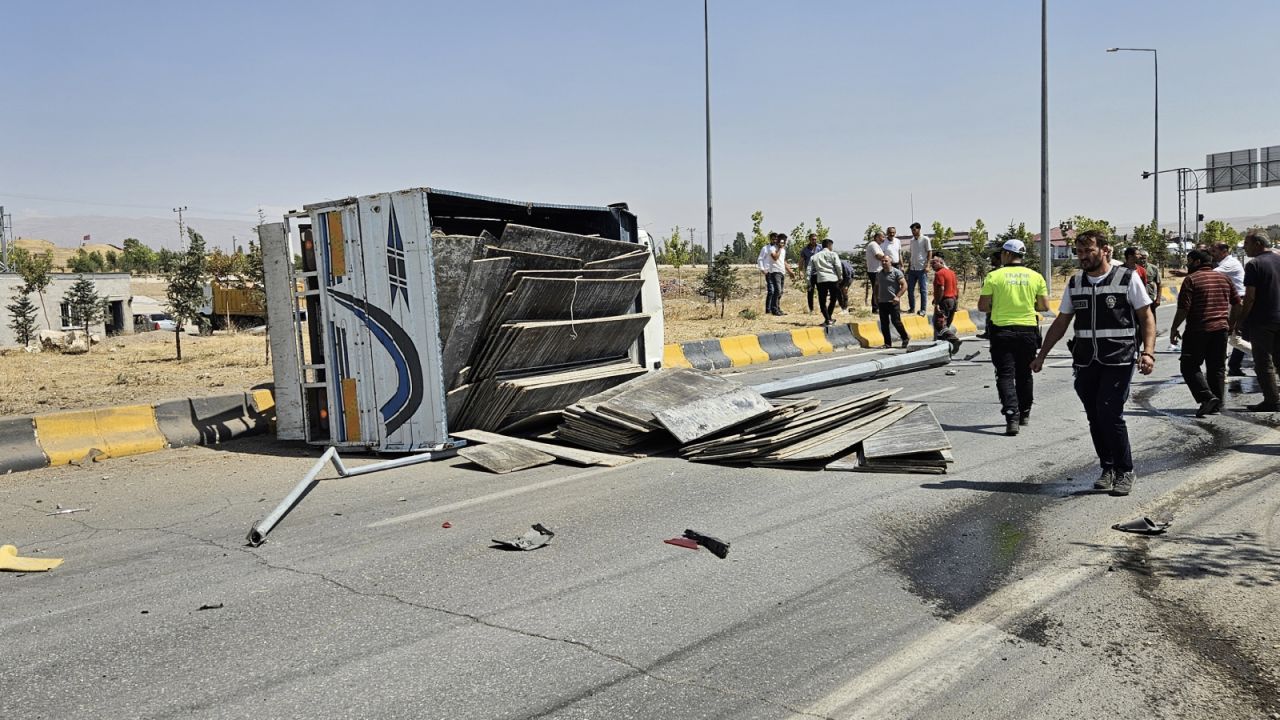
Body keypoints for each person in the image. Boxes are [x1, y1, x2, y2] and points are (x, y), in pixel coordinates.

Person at [1031, 230, 1155, 496]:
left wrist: (1148, 352)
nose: (1084, 256)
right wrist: (1042, 355)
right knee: (1094, 416)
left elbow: (1146, 317)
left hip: (1118, 358)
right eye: (1080, 252)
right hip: (1086, 360)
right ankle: (1107, 467)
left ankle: (1125, 470)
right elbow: (1062, 321)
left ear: (1105, 250)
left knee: (1110, 411)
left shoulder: (1127, 278)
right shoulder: (1075, 283)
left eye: (1089, 250)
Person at [979, 239, 1049, 435]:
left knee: (1005, 375)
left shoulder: (993, 276)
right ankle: (1025, 412)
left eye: (1001, 253)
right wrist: (1026, 307)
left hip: (1002, 332)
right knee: (1024, 374)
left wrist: (999, 307)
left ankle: (1012, 416)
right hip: (1027, 331)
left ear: (1007, 254)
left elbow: (983, 306)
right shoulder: (1036, 277)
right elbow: (1044, 306)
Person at [1168, 249, 1239, 417]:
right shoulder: (1224, 278)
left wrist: (1174, 328)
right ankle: (1217, 405)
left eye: (1189, 261)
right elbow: (1237, 303)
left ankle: (1207, 398)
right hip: (1220, 330)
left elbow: (1184, 308)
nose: (1187, 264)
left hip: (1198, 330)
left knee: (1189, 365)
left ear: (1197, 262)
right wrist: (1230, 324)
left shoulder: (1191, 279)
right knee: (1217, 368)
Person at [1232, 230, 1280, 412]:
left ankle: (1272, 400)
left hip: (1263, 321)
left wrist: (1240, 320)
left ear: (1258, 244)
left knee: (1263, 362)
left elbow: (1250, 298)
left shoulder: (1254, 264)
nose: (1244, 247)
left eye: (1247, 243)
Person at [1211, 242, 1248, 376]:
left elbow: (1211, 274)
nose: (1212, 254)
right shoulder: (1224, 264)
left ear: (1224, 251)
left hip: (1237, 303)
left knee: (1225, 336)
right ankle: (1266, 357)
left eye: (1214, 251)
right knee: (1233, 340)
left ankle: (1222, 371)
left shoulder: (1230, 263)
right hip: (1233, 302)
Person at [808, 238, 845, 326]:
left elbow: (809, 270)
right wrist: (840, 276)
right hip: (833, 279)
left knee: (822, 300)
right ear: (830, 245)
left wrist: (808, 282)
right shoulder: (833, 254)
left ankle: (827, 319)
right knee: (833, 299)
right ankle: (829, 318)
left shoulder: (815, 256)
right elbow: (838, 266)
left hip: (821, 279)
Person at [876, 261, 910, 349]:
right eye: (882, 261)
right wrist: (876, 298)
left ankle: (905, 338)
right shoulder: (879, 273)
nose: (884, 262)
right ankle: (887, 343)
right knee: (884, 323)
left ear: (890, 262)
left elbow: (904, 285)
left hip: (893, 302)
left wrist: (898, 296)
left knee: (896, 321)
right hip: (882, 302)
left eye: (886, 261)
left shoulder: (896, 272)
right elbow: (876, 286)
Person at [758, 233, 793, 316]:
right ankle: (771, 309)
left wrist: (790, 271)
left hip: (781, 271)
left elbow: (783, 261)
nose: (775, 241)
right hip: (771, 271)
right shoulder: (769, 248)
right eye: (773, 239)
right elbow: (762, 259)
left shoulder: (782, 250)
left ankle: (776, 308)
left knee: (779, 292)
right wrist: (762, 269)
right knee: (773, 291)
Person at [906, 222, 931, 315]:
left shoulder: (925, 239)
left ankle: (923, 309)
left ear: (919, 229)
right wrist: (908, 267)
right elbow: (912, 254)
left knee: (923, 290)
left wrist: (928, 265)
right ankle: (912, 308)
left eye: (914, 230)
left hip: (922, 269)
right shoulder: (912, 241)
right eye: (912, 230)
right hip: (913, 268)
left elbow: (929, 252)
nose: (913, 232)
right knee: (910, 289)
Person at [931, 254, 959, 334]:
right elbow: (957, 288)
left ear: (941, 263)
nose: (932, 266)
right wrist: (956, 302)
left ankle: (948, 339)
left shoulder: (939, 273)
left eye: (934, 263)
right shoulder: (951, 272)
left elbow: (941, 289)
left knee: (939, 324)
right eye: (931, 264)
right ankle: (946, 341)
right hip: (953, 300)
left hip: (944, 301)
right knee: (946, 324)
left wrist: (937, 303)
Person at [864, 231, 885, 305]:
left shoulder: (877, 245)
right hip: (875, 271)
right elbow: (878, 256)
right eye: (882, 237)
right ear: (877, 237)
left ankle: (877, 306)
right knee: (877, 289)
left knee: (878, 289)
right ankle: (875, 307)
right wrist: (887, 259)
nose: (884, 239)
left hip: (877, 270)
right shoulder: (873, 244)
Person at [801, 233, 821, 313]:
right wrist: (800, 271)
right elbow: (801, 261)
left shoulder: (820, 248)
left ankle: (822, 308)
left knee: (821, 292)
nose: (814, 241)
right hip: (810, 274)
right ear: (809, 239)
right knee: (810, 292)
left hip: (819, 273)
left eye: (815, 239)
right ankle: (811, 309)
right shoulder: (805, 250)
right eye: (813, 239)